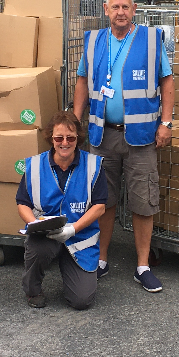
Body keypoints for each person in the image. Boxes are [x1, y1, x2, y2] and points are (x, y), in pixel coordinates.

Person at [72, 0, 174, 293]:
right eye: (115, 7)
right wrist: (75, 120)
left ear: (134, 9)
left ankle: (142, 266)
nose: (120, 12)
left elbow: (167, 80)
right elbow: (81, 80)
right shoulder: (93, 41)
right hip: (102, 135)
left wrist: (166, 123)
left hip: (141, 138)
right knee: (103, 201)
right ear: (106, 10)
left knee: (143, 202)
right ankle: (101, 259)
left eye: (125, 7)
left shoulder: (151, 40)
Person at [16, 111, 107, 309]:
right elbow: (22, 203)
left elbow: (100, 207)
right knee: (38, 248)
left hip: (80, 237)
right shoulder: (34, 165)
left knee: (82, 301)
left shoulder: (94, 165)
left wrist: (73, 229)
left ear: (78, 138)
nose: (64, 143)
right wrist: (34, 223)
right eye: (59, 138)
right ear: (51, 138)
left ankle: (71, 267)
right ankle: (33, 290)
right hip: (45, 235)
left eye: (70, 138)